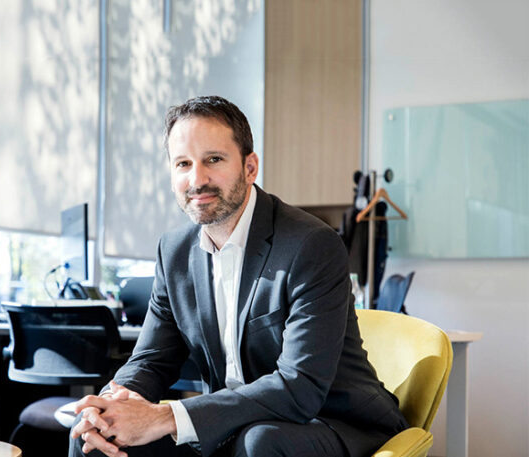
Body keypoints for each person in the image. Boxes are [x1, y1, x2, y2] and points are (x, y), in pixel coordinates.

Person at [69, 96, 408, 457]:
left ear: (250, 167)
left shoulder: (311, 245)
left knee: (258, 442)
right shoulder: (174, 251)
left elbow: (301, 386)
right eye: (183, 164)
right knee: (93, 438)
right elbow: (151, 360)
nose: (197, 179)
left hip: (334, 421)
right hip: (236, 423)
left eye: (214, 159)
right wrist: (110, 405)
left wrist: (167, 416)